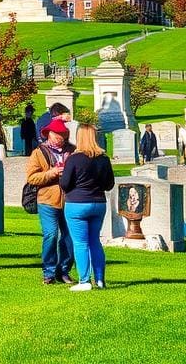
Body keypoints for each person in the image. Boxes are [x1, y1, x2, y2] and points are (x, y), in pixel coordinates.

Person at [60, 124, 115, 291]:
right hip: (98, 203)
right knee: (95, 241)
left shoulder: (74, 159)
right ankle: (100, 280)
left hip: (77, 203)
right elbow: (109, 184)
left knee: (80, 243)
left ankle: (84, 280)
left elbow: (65, 183)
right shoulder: (104, 159)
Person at [26, 118, 75, 285]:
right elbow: (32, 178)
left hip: (69, 200)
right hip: (47, 200)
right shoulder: (39, 153)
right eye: (56, 134)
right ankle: (48, 271)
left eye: (62, 134)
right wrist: (52, 173)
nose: (59, 137)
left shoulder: (73, 151)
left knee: (69, 237)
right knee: (51, 234)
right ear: (48, 134)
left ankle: (65, 270)